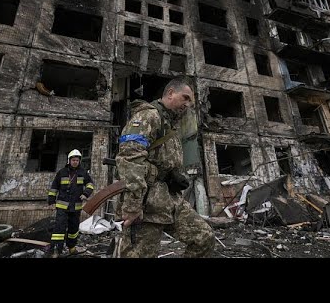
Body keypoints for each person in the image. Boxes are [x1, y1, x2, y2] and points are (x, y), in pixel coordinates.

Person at [115, 77, 215, 258]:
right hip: (146, 205)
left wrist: (175, 175)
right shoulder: (149, 116)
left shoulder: (170, 124)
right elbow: (130, 159)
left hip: (169, 201)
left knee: (204, 238)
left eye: (190, 101)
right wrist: (132, 206)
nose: (188, 104)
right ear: (170, 93)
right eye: (185, 98)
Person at [47, 149, 94, 257]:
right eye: (73, 160)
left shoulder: (83, 172)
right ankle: (56, 250)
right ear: (69, 160)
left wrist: (86, 194)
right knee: (59, 228)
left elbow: (90, 184)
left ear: (79, 161)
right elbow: (54, 187)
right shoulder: (62, 172)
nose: (75, 162)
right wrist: (51, 201)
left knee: (73, 229)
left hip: (76, 207)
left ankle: (72, 248)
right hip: (62, 206)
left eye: (77, 160)